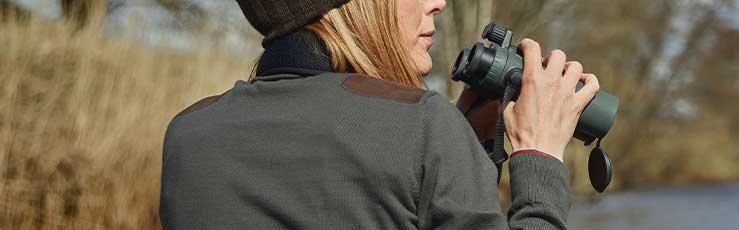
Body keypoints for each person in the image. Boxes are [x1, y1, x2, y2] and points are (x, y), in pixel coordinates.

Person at [158, 0, 599, 229]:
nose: (439, 2)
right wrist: (538, 157)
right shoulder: (424, 126)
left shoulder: (189, 137)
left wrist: (467, 151)